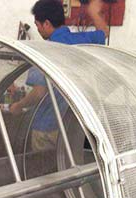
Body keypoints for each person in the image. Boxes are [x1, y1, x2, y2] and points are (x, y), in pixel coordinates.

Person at [10, 0, 109, 150]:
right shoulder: (82, 41)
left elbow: (39, 92)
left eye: (37, 25)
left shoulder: (44, 51)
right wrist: (93, 12)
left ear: (47, 23)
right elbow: (104, 32)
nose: (38, 30)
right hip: (74, 128)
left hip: (46, 128)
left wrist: (18, 105)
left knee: (44, 164)